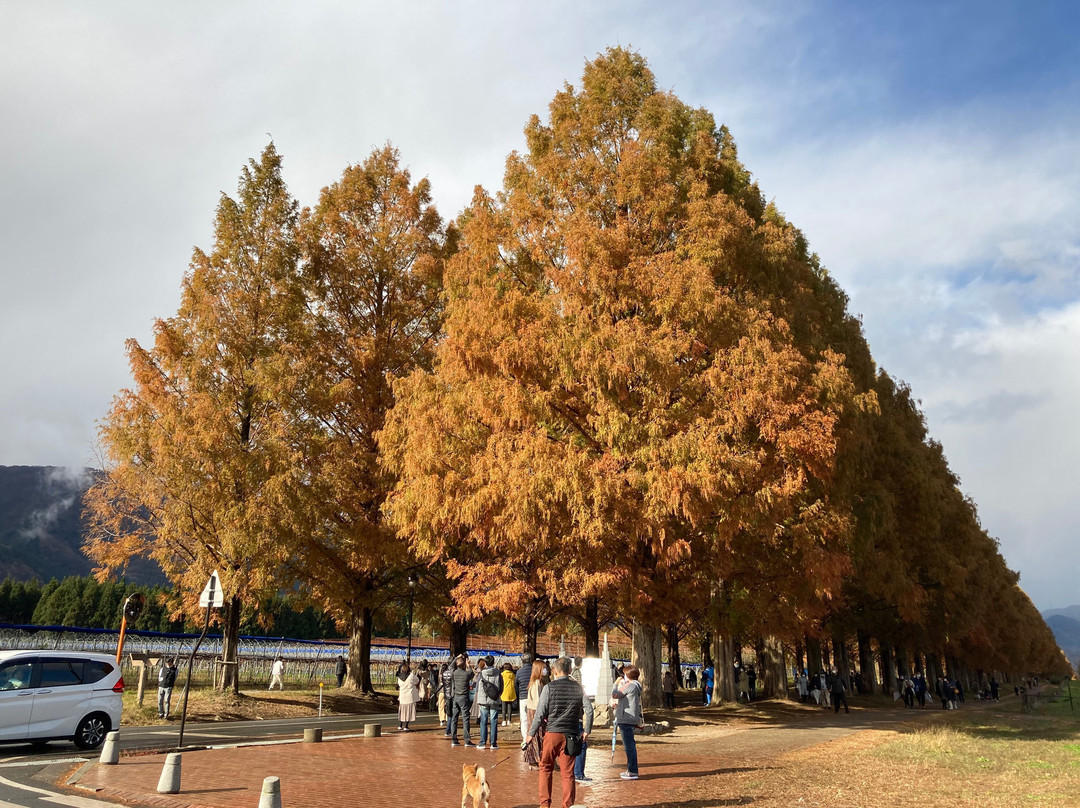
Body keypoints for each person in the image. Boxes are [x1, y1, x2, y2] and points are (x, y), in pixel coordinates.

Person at [525, 657, 593, 808]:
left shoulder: (549, 687)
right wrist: (587, 730)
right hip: (571, 735)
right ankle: (567, 805)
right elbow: (589, 710)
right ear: (570, 670)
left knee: (545, 768)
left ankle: (544, 804)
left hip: (552, 733)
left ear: (555, 671)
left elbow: (540, 714)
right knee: (568, 773)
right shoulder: (579, 688)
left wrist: (531, 734)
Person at [611, 664, 643, 780]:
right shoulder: (636, 686)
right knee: (630, 745)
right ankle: (631, 769)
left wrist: (615, 684)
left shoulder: (630, 685)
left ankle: (632, 771)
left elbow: (615, 694)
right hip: (630, 717)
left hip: (626, 718)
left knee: (629, 746)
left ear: (627, 675)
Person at [522, 659, 546, 769]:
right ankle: (534, 759)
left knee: (536, 734)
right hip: (535, 712)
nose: (546, 670)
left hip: (533, 711)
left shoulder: (537, 682)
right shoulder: (536, 683)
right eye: (544, 668)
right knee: (535, 734)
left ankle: (535, 759)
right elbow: (538, 702)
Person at [450, 654, 475, 746]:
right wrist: (469, 665)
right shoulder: (467, 674)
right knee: (465, 718)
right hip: (464, 697)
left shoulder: (454, 673)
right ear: (464, 664)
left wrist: (456, 658)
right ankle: (467, 740)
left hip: (455, 696)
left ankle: (453, 738)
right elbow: (472, 673)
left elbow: (450, 667)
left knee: (454, 718)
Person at [477, 654, 501, 749]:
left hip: (483, 699)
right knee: (493, 720)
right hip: (494, 699)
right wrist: (497, 695)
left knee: (483, 721)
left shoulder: (482, 673)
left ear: (485, 663)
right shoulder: (498, 673)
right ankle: (493, 743)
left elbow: (478, 686)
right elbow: (501, 686)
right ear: (493, 662)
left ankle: (482, 742)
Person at [397, 661, 420, 731]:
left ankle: (400, 725)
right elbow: (417, 680)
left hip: (402, 696)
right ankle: (406, 725)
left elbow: (399, 684)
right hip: (410, 696)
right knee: (409, 712)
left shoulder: (399, 677)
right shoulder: (411, 676)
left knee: (402, 711)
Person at [516, 653, 534, 736]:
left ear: (522, 661)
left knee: (524, 719)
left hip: (523, 697)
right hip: (534, 697)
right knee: (534, 718)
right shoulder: (534, 671)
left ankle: (525, 738)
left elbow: (516, 684)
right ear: (530, 660)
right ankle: (533, 736)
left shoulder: (519, 672)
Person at [500, 662, 517, 727]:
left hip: (504, 692)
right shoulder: (513, 675)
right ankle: (509, 720)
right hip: (511, 692)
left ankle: (504, 721)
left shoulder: (502, 674)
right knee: (509, 707)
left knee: (503, 707)